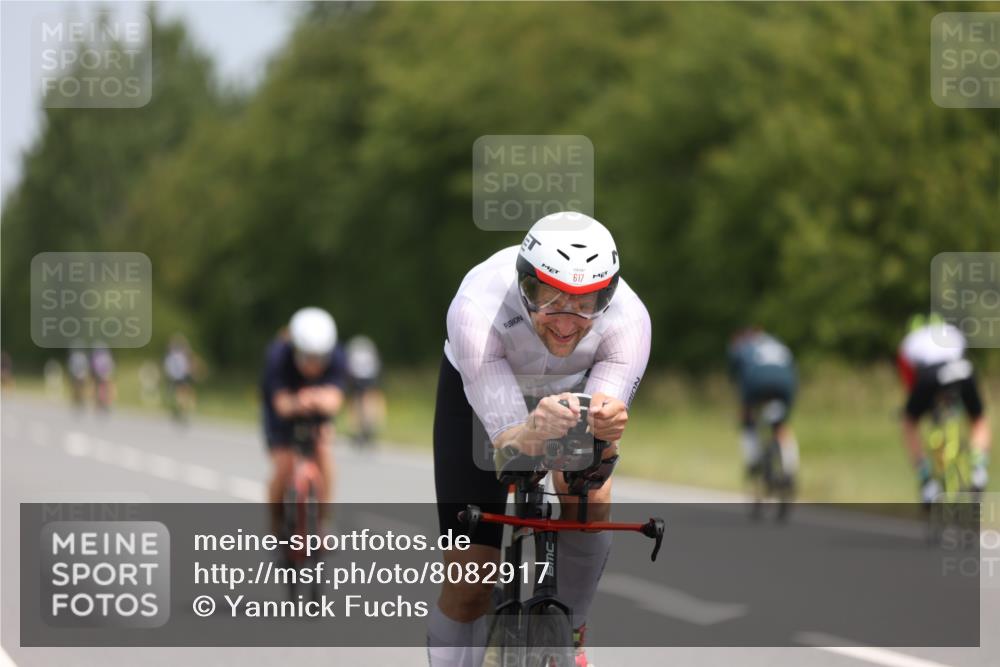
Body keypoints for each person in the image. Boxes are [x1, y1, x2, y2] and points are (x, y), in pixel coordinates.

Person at [429, 212, 651, 667]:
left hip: (571, 390)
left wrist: (605, 435)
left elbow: (596, 450)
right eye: (549, 297)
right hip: (483, 392)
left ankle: (570, 630)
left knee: (588, 487)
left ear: (608, 296)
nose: (567, 322)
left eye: (587, 303)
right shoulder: (477, 306)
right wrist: (531, 429)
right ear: (524, 283)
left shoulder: (629, 321)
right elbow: (507, 447)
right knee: (471, 583)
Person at [261, 308, 346, 528]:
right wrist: (298, 402)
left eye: (320, 359)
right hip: (282, 410)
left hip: (316, 409)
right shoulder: (278, 356)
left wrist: (318, 400)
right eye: (308, 358)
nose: (314, 366)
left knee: (324, 450)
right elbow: (280, 404)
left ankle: (323, 522)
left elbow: (335, 399)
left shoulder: (337, 354)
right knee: (284, 464)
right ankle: (275, 524)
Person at [897, 314, 990, 501]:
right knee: (977, 418)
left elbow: (910, 381)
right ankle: (979, 469)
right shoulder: (953, 332)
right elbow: (962, 359)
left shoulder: (909, 342)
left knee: (909, 423)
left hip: (929, 376)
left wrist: (921, 406)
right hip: (961, 370)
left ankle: (926, 481)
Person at [727, 328, 800, 489]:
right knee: (781, 425)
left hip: (756, 381)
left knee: (747, 417)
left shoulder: (743, 345)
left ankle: (752, 460)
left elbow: (734, 372)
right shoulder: (777, 342)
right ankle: (790, 468)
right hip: (786, 382)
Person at [344, 335, 386, 447]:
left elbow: (348, 364)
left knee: (356, 401)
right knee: (368, 399)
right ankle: (367, 427)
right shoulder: (368, 346)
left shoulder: (354, 345)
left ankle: (358, 429)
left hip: (357, 377)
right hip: (368, 376)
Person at [163, 333, 197, 420]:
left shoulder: (171, 355)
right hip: (181, 376)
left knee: (182, 394)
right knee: (183, 394)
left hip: (175, 376)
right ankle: (183, 411)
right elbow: (186, 365)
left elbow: (168, 367)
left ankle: (183, 410)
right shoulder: (180, 355)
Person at [89, 342, 115, 411]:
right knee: (105, 387)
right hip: (103, 375)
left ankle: (103, 402)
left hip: (102, 375)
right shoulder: (106, 357)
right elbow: (111, 366)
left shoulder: (97, 357)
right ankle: (106, 401)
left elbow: (93, 367)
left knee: (98, 388)